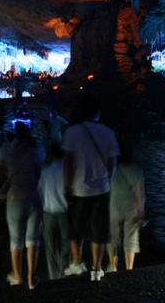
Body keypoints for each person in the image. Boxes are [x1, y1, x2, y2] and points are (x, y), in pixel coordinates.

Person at [62, 96, 119, 282]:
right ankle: (96, 268)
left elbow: (68, 163)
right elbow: (112, 162)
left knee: (76, 229)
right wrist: (107, 180)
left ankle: (77, 263)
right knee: (98, 231)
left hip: (78, 189)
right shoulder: (108, 132)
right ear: (98, 113)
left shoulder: (72, 132)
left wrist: (67, 186)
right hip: (101, 189)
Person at [0, 122, 44, 289]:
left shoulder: (6, 150)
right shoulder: (36, 150)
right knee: (33, 238)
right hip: (33, 196)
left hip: (14, 198)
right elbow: (39, 172)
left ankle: (17, 276)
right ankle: (31, 278)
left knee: (16, 240)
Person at [106, 142, 145, 272]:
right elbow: (140, 193)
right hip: (131, 208)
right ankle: (129, 269)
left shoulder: (112, 169)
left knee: (113, 237)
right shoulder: (137, 170)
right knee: (131, 239)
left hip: (114, 207)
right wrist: (141, 210)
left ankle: (112, 265)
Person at [37, 142, 69, 281]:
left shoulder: (44, 172)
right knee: (65, 246)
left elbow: (39, 195)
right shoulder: (68, 171)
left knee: (50, 248)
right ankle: (64, 272)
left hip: (48, 213)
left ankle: (53, 276)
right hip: (64, 213)